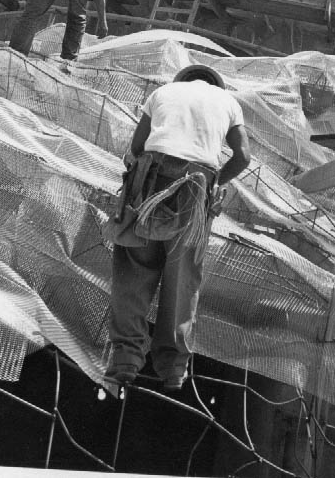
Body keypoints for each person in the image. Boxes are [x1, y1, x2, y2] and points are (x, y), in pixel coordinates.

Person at [106, 64, 251, 390]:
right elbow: (243, 156)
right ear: (216, 84)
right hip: (197, 186)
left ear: (182, 80)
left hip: (149, 182)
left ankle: (125, 358)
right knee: (182, 276)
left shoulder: (161, 93)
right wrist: (215, 183)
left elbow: (136, 150)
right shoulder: (228, 102)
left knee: (134, 265)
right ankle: (172, 369)